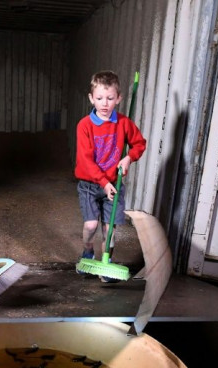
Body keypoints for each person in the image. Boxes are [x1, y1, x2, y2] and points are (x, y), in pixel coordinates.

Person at [74, 70, 147, 282]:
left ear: (119, 98)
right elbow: (86, 161)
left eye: (110, 98)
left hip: (114, 185)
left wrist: (129, 158)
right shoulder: (84, 126)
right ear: (91, 98)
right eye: (99, 98)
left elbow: (139, 144)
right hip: (90, 184)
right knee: (91, 225)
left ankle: (106, 263)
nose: (104, 103)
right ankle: (88, 252)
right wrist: (104, 182)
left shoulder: (123, 123)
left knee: (109, 229)